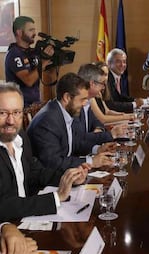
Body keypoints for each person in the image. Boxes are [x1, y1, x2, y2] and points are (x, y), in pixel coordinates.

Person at [0, 82, 89, 221]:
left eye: (17, 112)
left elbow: (35, 172)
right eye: (3, 113)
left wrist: (67, 179)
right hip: (9, 228)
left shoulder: (20, 136)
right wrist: (56, 197)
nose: (11, 121)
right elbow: (4, 205)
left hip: (27, 219)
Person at [27, 73, 114, 171]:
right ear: (67, 97)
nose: (85, 103)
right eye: (82, 99)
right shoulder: (47, 121)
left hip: (65, 171)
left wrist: (97, 149)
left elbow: (74, 143)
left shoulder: (66, 111)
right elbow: (54, 163)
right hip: (50, 181)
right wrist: (91, 161)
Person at [4, 16, 55, 107]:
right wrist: (44, 62)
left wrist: (54, 60)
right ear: (19, 32)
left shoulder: (33, 52)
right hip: (19, 107)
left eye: (34, 30)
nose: (35, 33)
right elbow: (28, 80)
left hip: (35, 105)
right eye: (31, 30)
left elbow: (50, 74)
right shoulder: (14, 54)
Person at [76, 63, 127, 146]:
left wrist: (99, 129)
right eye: (102, 83)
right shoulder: (76, 105)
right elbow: (80, 138)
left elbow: (98, 122)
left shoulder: (88, 101)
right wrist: (110, 134)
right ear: (92, 84)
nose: (103, 87)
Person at [106, 48, 137, 113]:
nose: (122, 65)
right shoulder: (107, 79)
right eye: (118, 61)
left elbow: (118, 97)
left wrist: (135, 100)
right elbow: (110, 105)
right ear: (109, 63)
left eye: (124, 61)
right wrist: (134, 104)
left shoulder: (115, 77)